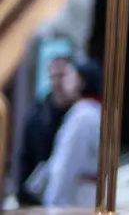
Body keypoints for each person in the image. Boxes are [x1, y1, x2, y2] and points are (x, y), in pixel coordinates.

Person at [37, 58, 101, 209]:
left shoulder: (82, 115)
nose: (65, 81)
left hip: (75, 199)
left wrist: (52, 202)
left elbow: (65, 165)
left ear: (81, 82)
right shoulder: (94, 111)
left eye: (70, 76)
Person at [17, 54, 77, 206]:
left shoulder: (79, 112)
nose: (58, 82)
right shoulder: (38, 113)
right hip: (41, 191)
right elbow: (25, 155)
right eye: (54, 76)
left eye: (62, 76)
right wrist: (23, 193)